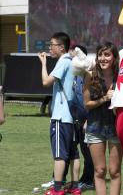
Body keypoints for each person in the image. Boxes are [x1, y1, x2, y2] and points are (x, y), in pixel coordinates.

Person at [38, 32, 81, 195]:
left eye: (52, 45)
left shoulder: (63, 61)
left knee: (59, 154)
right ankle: (75, 186)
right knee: (73, 153)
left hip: (60, 116)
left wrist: (43, 64)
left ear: (61, 47)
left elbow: (45, 82)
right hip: (72, 116)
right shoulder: (72, 61)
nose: (50, 48)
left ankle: (57, 189)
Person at [83, 41, 122, 195]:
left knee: (114, 171)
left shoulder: (121, 76)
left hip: (116, 127)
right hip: (95, 127)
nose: (103, 58)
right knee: (99, 170)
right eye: (100, 54)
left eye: (107, 54)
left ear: (114, 57)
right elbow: (87, 104)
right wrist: (105, 98)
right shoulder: (90, 76)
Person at [69, 45, 95, 191]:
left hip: (87, 120)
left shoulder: (89, 75)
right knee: (74, 151)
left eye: (74, 57)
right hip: (76, 119)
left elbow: (91, 100)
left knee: (88, 152)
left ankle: (88, 180)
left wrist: (89, 120)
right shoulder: (75, 75)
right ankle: (73, 180)